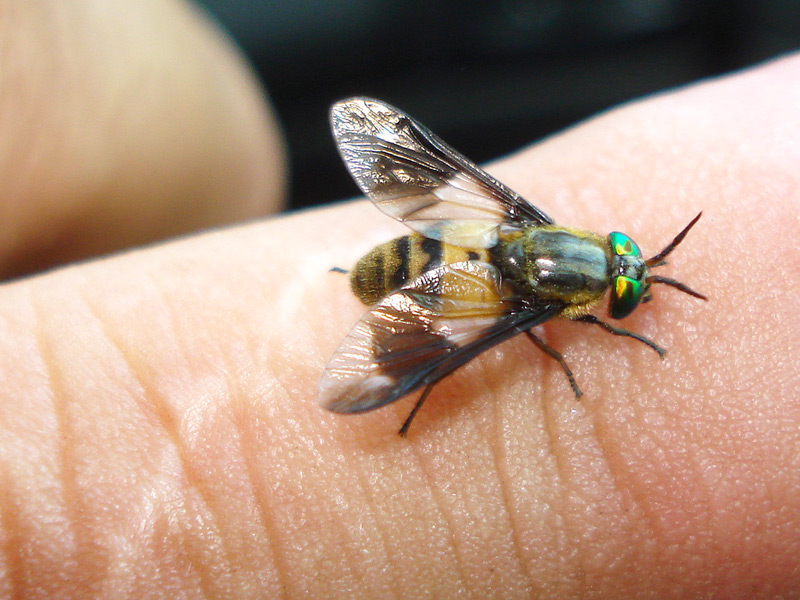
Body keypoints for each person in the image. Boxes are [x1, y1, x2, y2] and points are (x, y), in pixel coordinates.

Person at [0, 3, 797, 598]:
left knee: (458, 258)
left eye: (625, 272)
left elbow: (429, 190)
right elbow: (532, 331)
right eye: (627, 267)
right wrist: (598, 342)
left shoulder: (530, 226)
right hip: (459, 278)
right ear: (599, 270)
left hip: (472, 238)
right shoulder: (541, 306)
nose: (630, 267)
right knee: (450, 347)